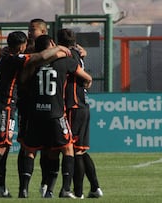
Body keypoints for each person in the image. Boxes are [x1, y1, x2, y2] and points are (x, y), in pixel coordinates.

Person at [0, 31, 71, 199]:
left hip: (4, 105)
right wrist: (60, 48)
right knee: (0, 145)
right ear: (21, 46)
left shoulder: (6, 56)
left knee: (4, 144)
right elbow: (41, 57)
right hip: (4, 105)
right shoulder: (14, 59)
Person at [20, 34, 93, 199]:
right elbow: (85, 77)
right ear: (52, 44)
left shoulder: (32, 63)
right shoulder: (64, 61)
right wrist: (88, 80)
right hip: (55, 113)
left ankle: (24, 189)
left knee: (30, 151)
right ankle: (65, 189)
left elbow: (23, 81)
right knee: (67, 148)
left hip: (35, 113)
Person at [57, 28, 103, 199]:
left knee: (74, 150)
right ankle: (95, 188)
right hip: (82, 105)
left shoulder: (68, 55)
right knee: (80, 151)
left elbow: (83, 77)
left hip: (73, 106)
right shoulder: (78, 53)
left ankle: (78, 192)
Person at [17, 18, 49, 198]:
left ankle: (45, 185)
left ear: (43, 32)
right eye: (29, 29)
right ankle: (23, 188)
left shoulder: (52, 52)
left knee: (47, 148)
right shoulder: (26, 51)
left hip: (47, 107)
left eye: (33, 30)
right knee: (26, 146)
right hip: (27, 106)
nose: (30, 33)